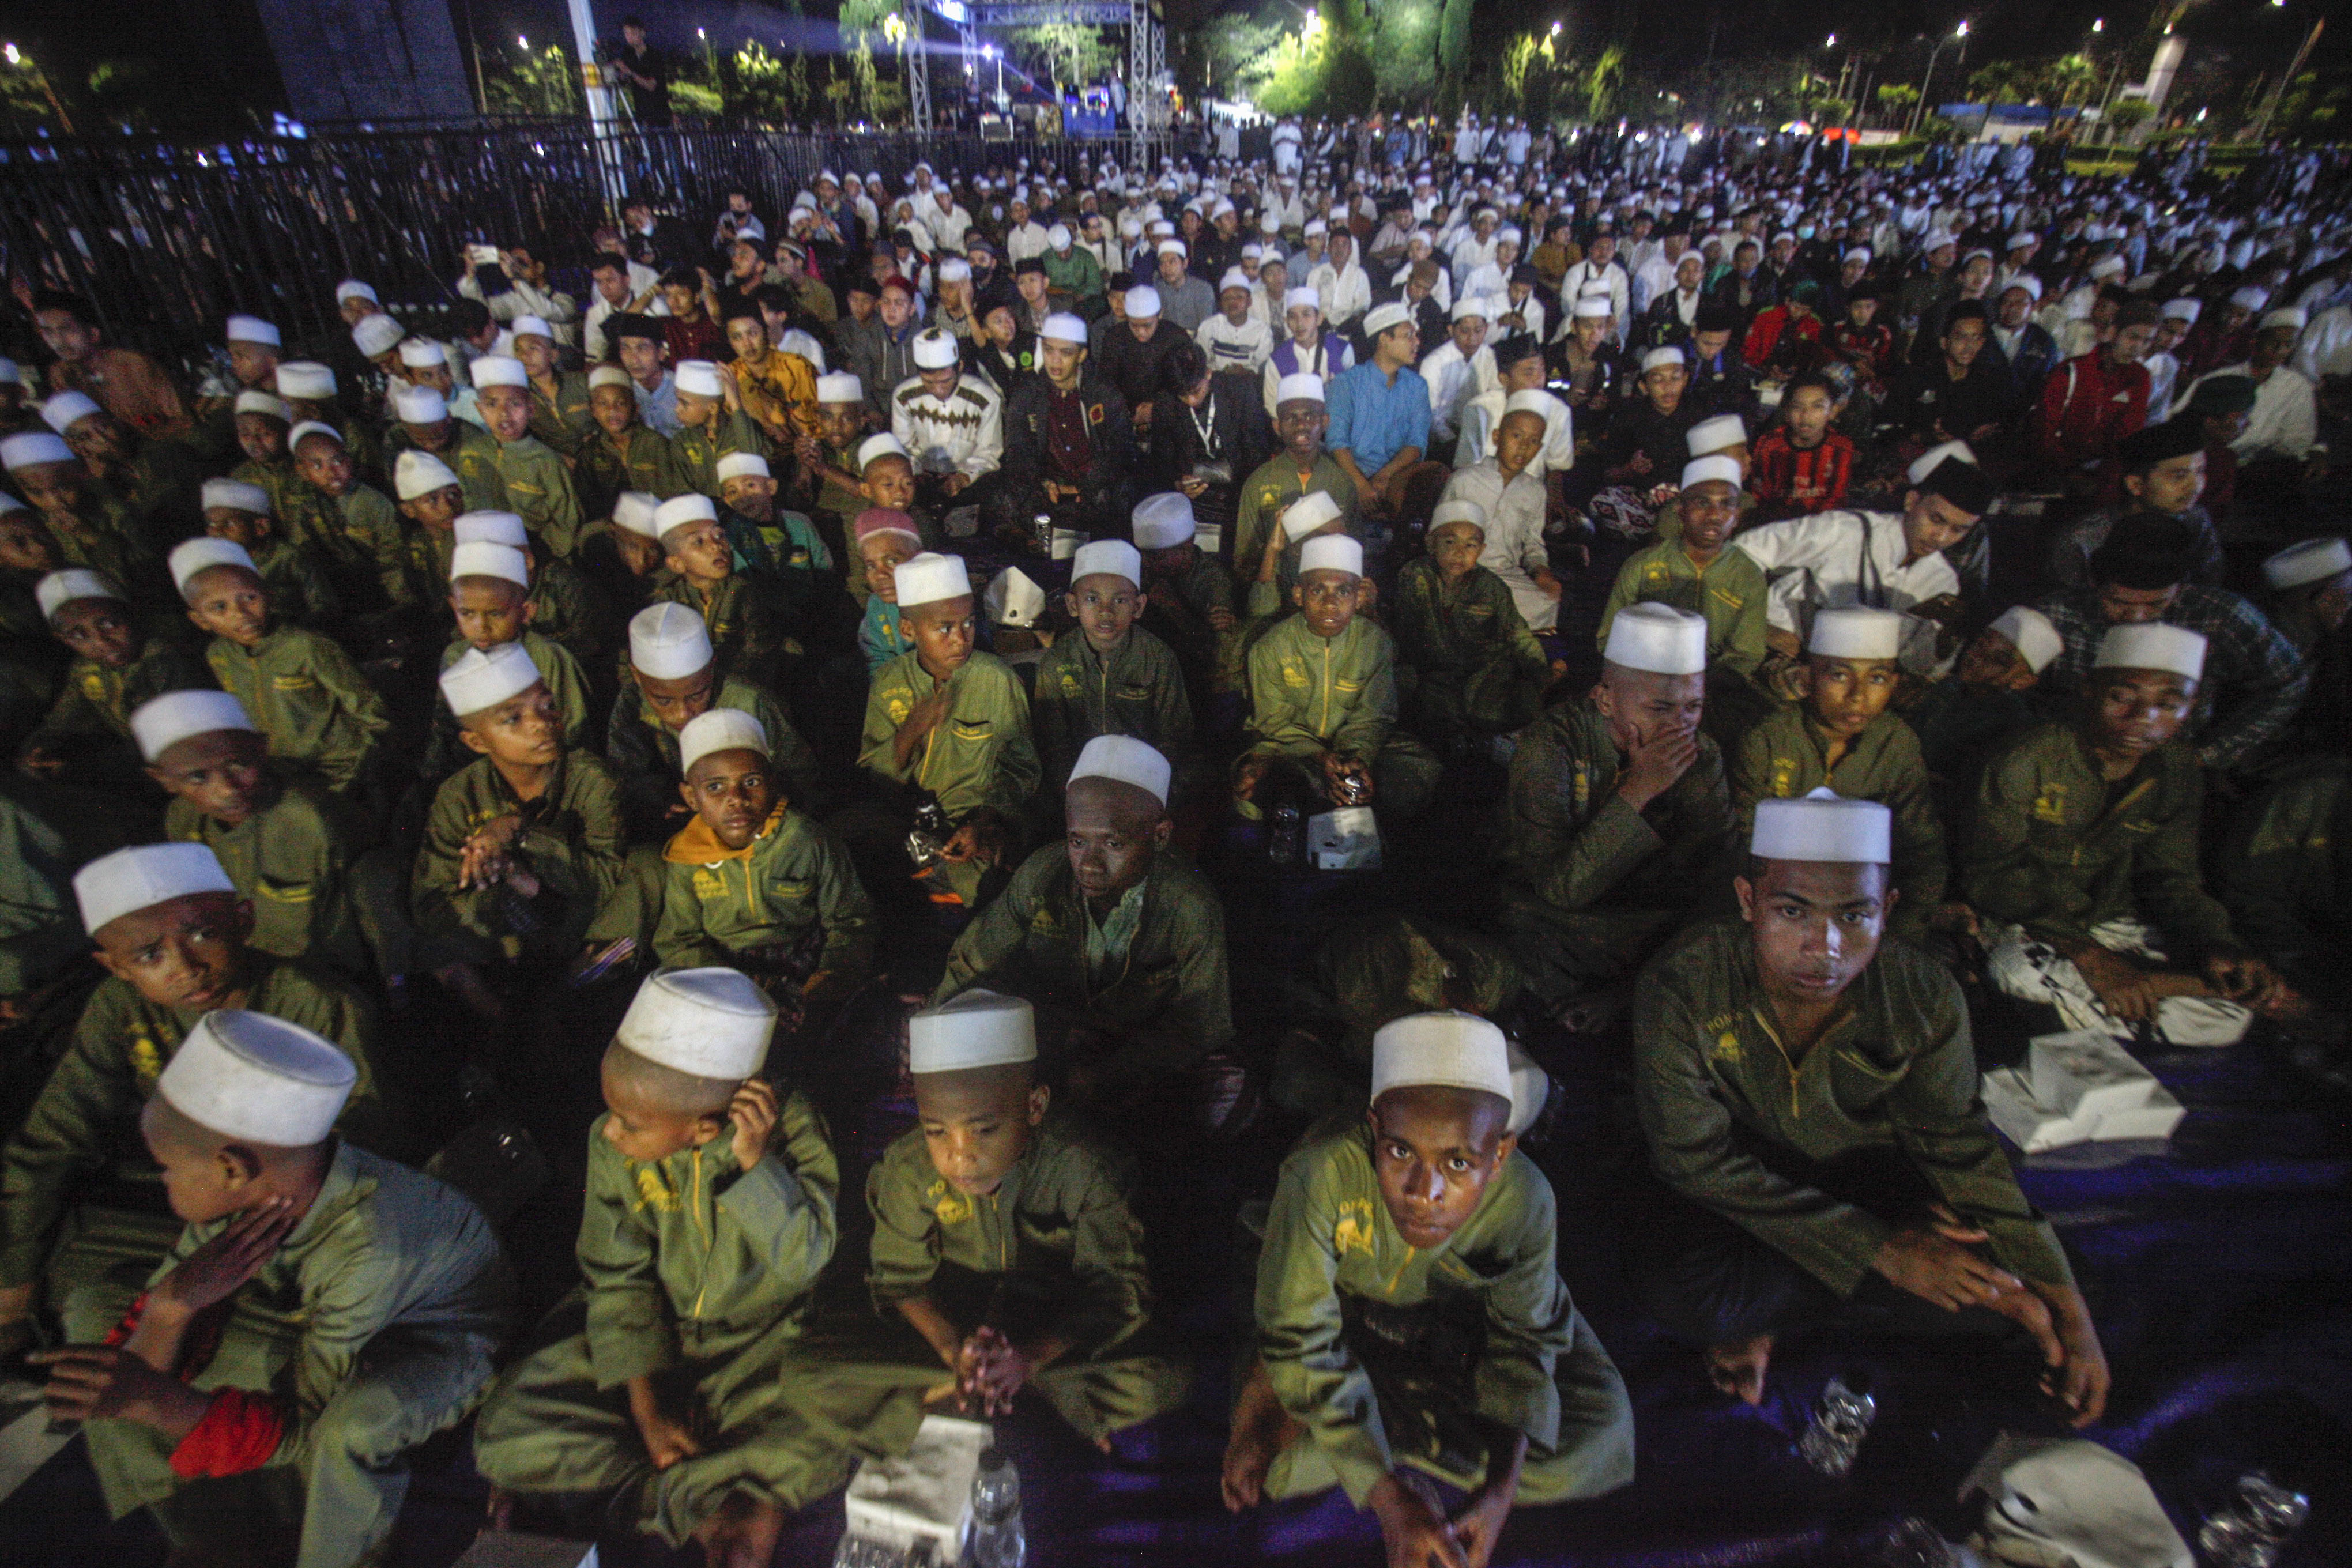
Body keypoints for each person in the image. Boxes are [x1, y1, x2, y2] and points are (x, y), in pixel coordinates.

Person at [1633, 791, 2110, 1423]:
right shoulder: (1684, 983)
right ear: (1749, 901)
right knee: (1687, 1293)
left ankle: (1770, 1316)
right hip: (1741, 1193)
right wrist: (1888, 1252)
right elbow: (1694, 1160)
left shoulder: (1923, 994)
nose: (1824, 945)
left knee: (2048, 1287)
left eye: (1854, 915)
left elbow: (1959, 1149)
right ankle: (1794, 1307)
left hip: (1868, 1182)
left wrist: (2072, 1312)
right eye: (1792, 910)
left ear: (1886, 910)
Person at [42, 1009, 502, 1568]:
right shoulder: (256, 1191)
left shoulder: (372, 1247)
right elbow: (152, 1334)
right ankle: (200, 1523)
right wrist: (167, 1310)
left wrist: (156, 1399)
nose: (163, 1179)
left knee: (347, 1432)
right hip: (317, 1324)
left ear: (232, 1168)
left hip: (432, 1343)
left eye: (165, 1167)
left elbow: (305, 1427)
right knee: (97, 1310)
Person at [473, 968, 845, 1565]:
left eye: (630, 1123)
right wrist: (647, 1408)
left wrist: (755, 1169)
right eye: (612, 1114)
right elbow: (618, 1277)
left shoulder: (792, 1131)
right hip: (652, 1331)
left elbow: (803, 1258)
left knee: (822, 1443)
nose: (611, 1134)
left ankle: (675, 1497)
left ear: (703, 1128)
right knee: (506, 1430)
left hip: (762, 1346)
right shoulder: (612, 1141)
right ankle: (714, 1501)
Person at [1222, 1011, 1633, 1549]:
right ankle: (1378, 1434)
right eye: (1400, 1152)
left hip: (1466, 1335)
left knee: (1602, 1435)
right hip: (1350, 1319)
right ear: (1374, 1130)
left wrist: (1501, 1489)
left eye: (1459, 1164)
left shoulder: (1526, 1200)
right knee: (1276, 1469)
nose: (1423, 1192)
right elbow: (1298, 1330)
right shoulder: (1322, 1172)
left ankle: (1372, 1433)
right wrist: (1390, 1500)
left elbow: (1526, 1340)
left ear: (1501, 1154)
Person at [0, 841, 391, 1359]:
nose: (185, 967)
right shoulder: (120, 1006)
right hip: (190, 1204)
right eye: (149, 955)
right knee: (63, 1282)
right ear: (115, 966)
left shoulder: (314, 1002)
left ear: (245, 922)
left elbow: (370, 1145)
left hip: (289, 1220)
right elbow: (55, 1138)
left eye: (204, 934)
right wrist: (12, 1300)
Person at [778, 989, 1190, 1451]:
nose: (959, 1156)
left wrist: (1030, 1357)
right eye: (936, 1130)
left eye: (984, 1129)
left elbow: (1117, 1290)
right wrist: (954, 1350)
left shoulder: (1085, 1164)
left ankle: (990, 1393)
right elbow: (898, 1281)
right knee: (805, 1375)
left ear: (1034, 1107)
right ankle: (993, 1392)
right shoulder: (908, 1169)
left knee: (1162, 1377)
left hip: (1053, 1328)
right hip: (950, 1326)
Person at [1967, 624, 2290, 1047]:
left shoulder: (2178, 770)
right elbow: (1992, 876)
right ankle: (2152, 996)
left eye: (2169, 704)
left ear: (2191, 707)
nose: (2144, 718)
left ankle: (2118, 1004)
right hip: (2031, 924)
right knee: (2019, 973)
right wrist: (2089, 955)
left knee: (2229, 1010)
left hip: (2113, 921)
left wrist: (2214, 942)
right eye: (2122, 697)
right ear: (2089, 691)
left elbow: (2173, 880)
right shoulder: (2028, 758)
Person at [933, 737, 1235, 1129]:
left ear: (1160, 836)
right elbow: (973, 959)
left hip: (1137, 1047)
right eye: (1077, 841)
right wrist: (937, 1038)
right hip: (1054, 1032)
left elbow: (1203, 1024)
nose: (1089, 865)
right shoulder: (1045, 873)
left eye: (1113, 842)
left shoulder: (1189, 906)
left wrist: (1109, 1074)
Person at [1498, 604, 1729, 1023]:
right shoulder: (1551, 746)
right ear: (1604, 700)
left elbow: (1717, 872)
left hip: (1649, 922)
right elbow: (1560, 888)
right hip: (1558, 920)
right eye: (1659, 709)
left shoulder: (1702, 756)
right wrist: (1637, 792)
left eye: (1692, 708)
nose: (1678, 727)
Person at [412, 643, 626, 1021]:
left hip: (574, 928)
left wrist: (521, 833)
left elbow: (605, 885)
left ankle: (551, 1004)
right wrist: (492, 875)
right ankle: (503, 1018)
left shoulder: (591, 780)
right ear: (476, 742)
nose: (541, 723)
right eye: (513, 719)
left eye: (547, 706)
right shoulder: (459, 796)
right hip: (499, 937)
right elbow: (431, 903)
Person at [1732, 608, 1949, 944]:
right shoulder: (1769, 739)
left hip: (1863, 916)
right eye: (1839, 676)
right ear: (1807, 678)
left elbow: (1921, 850)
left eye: (1876, 678)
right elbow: (1743, 847)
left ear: (1894, 684)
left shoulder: (1897, 745)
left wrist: (1899, 933)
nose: (1858, 696)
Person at [2034, 514, 2308, 774]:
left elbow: (2288, 682)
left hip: (2171, 762)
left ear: (2181, 589)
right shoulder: (2058, 613)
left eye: (2155, 604)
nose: (2136, 618)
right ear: (2095, 584)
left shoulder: (2221, 616)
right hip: (2063, 757)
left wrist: (2209, 754)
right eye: (2117, 602)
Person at [137, 691, 368, 979]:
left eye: (239, 765)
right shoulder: (183, 820)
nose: (228, 789)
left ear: (262, 748)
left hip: (320, 972)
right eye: (198, 777)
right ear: (164, 780)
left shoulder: (309, 820)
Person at [857, 553, 1040, 909]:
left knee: (982, 874)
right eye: (944, 628)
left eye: (969, 623)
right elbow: (872, 770)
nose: (960, 639)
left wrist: (984, 820)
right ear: (909, 630)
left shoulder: (995, 679)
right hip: (903, 815)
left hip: (975, 818)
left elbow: (1021, 768)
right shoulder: (890, 681)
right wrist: (912, 728)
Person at [1236, 535, 1440, 824]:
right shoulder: (1270, 646)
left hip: (1356, 744)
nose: (1330, 603)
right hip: (1289, 745)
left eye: (1343, 592)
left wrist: (1356, 761)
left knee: (1421, 770)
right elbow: (1273, 721)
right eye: (1318, 590)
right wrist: (1321, 758)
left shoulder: (1375, 641)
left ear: (1358, 599)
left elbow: (1375, 716)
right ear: (1298, 596)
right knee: (1251, 794)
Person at [1732, 452, 1993, 677]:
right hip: (1779, 655)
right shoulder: (1845, 530)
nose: (1942, 537)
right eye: (1936, 519)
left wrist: (1943, 645)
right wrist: (1758, 627)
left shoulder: (1942, 581)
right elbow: (1744, 553)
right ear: (1912, 501)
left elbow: (1916, 663)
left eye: (1959, 530)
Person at [173, 539, 387, 796]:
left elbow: (370, 712)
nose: (240, 613)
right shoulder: (219, 656)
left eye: (250, 598)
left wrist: (359, 771)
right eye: (219, 608)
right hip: (280, 774)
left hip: (339, 771)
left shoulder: (306, 646)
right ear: (200, 620)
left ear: (269, 595)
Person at [610, 602, 816, 840]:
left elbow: (802, 777)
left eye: (697, 696)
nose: (683, 714)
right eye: (664, 701)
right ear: (637, 676)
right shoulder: (631, 704)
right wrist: (659, 796)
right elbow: (626, 774)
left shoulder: (750, 703)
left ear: (712, 668)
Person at [19, 568, 205, 796]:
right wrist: (40, 750)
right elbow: (64, 721)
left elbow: (163, 740)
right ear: (63, 640)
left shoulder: (164, 656)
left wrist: (82, 766)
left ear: (131, 615)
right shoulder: (86, 668)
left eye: (108, 625)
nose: (101, 642)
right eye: (78, 636)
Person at [1029, 541, 1193, 793]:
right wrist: (1074, 791)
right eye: (1092, 599)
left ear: (1138, 606)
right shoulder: (1057, 661)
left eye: (1120, 600)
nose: (1106, 612)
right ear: (1073, 605)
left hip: (1142, 780)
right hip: (1079, 782)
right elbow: (1053, 744)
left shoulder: (1158, 658)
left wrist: (1145, 786)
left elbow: (1175, 735)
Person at [1390, 500, 1552, 742]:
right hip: (1431, 674)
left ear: (1482, 550)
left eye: (1470, 545)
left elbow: (1517, 633)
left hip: (1482, 673)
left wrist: (1542, 674)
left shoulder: (1491, 587)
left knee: (1504, 708)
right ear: (1430, 543)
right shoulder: (1415, 575)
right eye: (1449, 542)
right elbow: (1408, 634)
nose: (1459, 552)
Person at [998, 314, 1135, 545]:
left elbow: (1121, 452)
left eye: (1066, 353)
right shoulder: (1027, 394)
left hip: (1094, 490)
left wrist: (1086, 485)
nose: (1055, 361)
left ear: (1082, 355)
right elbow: (1017, 451)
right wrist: (1042, 482)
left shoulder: (1103, 393)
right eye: (1049, 350)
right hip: (1048, 489)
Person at [2045, 419, 2222, 591]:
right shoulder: (2082, 540)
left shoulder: (2196, 519)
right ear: (2135, 485)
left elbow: (2208, 588)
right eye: (2179, 476)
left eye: (2200, 472)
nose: (2196, 487)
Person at [649, 494, 790, 693]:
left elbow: (757, 652)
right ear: (677, 563)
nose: (716, 546)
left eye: (719, 536)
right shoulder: (667, 601)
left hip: (737, 687)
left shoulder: (742, 591)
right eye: (699, 542)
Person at [1439, 401, 1558, 631]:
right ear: (1496, 437)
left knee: (1546, 602)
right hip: (1462, 570)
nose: (1523, 447)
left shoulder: (1535, 491)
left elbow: (1534, 545)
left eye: (1533, 442)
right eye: (1516, 436)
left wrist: (1541, 572)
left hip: (1506, 576)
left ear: (1539, 447)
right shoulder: (1465, 479)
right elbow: (1440, 534)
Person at [1325, 303, 1431, 525]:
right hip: (1350, 476)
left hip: (1396, 477)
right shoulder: (1347, 384)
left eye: (1416, 335)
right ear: (1384, 339)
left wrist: (1384, 477)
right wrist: (1362, 485)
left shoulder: (1417, 387)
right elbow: (1337, 443)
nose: (1417, 342)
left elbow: (1416, 443)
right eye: (1408, 335)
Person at [472, 357, 587, 559]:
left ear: (531, 409)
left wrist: (541, 556)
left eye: (514, 404)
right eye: (492, 405)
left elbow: (567, 522)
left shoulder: (547, 461)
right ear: (480, 410)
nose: (504, 414)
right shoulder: (473, 452)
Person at [1747, 372, 1854, 522]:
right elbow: (1761, 494)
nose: (1806, 416)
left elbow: (1836, 498)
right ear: (1786, 412)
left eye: (1817, 407)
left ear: (1833, 411)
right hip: (1776, 525)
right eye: (1797, 407)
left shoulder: (1841, 448)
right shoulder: (1770, 445)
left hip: (1822, 526)